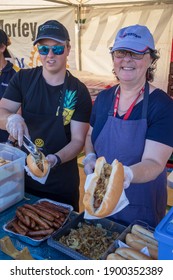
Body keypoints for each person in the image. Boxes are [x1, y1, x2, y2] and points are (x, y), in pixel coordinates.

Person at [83, 24, 173, 227]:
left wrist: (126, 174)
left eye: (136, 54)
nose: (127, 60)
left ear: (151, 59)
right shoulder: (105, 98)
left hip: (141, 208)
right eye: (121, 53)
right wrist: (89, 156)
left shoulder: (162, 106)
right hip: (100, 201)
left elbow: (154, 162)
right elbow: (90, 136)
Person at [0, 20, 92, 211]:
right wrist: (11, 119)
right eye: (44, 49)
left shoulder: (78, 91)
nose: (50, 55)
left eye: (57, 49)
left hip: (60, 183)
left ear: (68, 49)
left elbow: (78, 141)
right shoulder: (23, 79)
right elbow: (2, 111)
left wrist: (55, 159)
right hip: (22, 180)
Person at [0, 29, 20, 143]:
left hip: (6, 144)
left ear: (2, 48)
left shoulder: (17, 74)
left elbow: (20, 112)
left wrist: (10, 142)